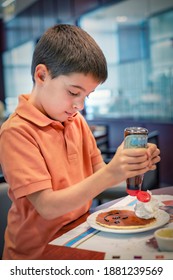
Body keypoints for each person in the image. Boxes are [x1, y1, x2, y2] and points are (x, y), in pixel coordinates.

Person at [0, 24, 160, 260]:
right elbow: (47, 206)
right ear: (42, 75)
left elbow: (100, 176)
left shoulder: (76, 121)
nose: (80, 105)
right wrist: (111, 173)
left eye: (87, 96)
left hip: (79, 235)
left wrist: (129, 166)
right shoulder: (17, 132)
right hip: (37, 255)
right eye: (74, 92)